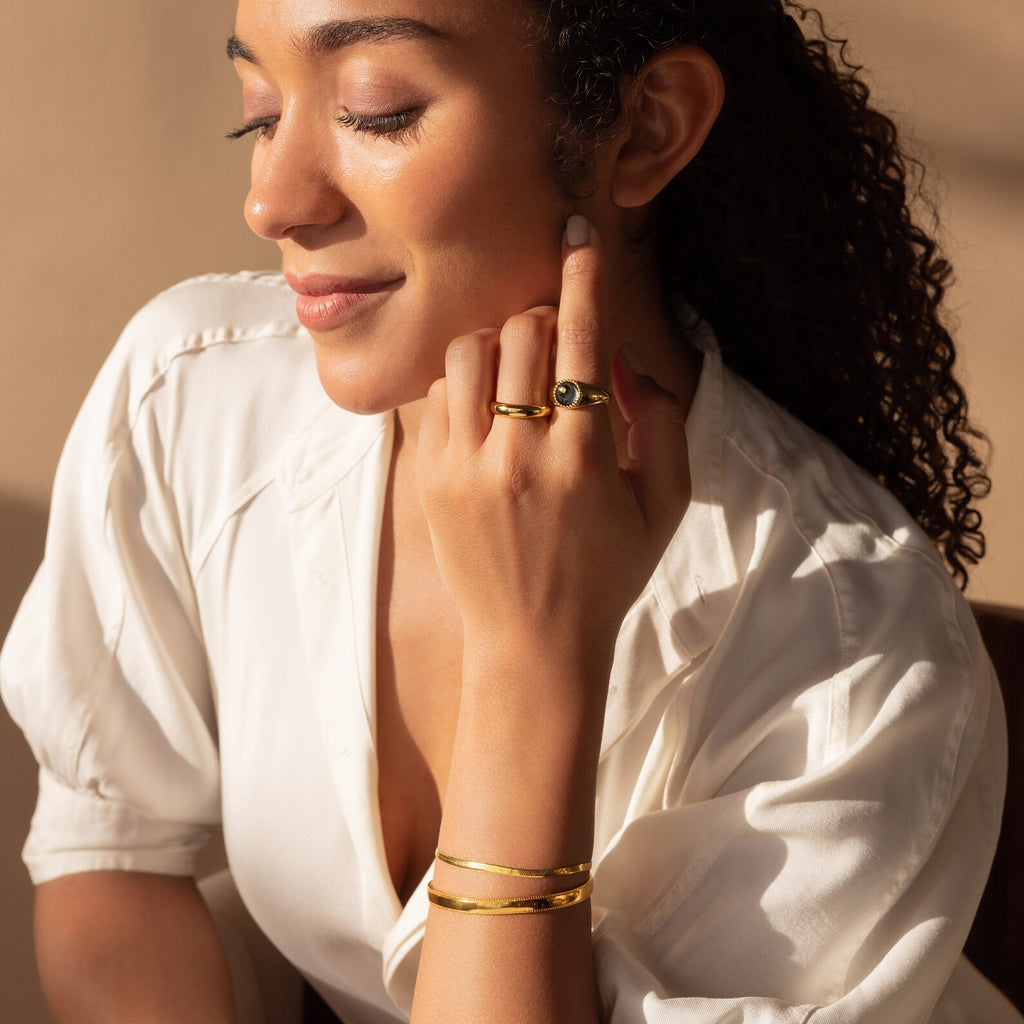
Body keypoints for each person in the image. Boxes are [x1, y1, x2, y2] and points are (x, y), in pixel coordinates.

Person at [1, 0, 1020, 1021]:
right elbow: (113, 854)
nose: (272, 201)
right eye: (261, 112)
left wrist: (529, 663)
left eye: (377, 110)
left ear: (646, 127)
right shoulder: (193, 394)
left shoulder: (854, 655)